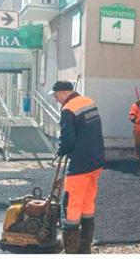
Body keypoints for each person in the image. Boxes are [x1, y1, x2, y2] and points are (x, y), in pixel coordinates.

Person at [52, 80, 104, 254]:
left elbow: (68, 140)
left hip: (80, 165)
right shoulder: (89, 102)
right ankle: (84, 248)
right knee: (87, 202)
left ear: (63, 93)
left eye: (56, 96)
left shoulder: (68, 109)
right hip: (96, 161)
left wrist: (61, 150)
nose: (56, 100)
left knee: (71, 206)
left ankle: (71, 251)